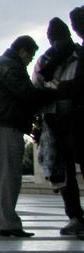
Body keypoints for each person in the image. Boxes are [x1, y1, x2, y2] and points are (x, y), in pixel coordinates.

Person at [0, 35, 54, 237]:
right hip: (7, 125)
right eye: (30, 56)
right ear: (22, 51)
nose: (30, 60)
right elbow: (26, 94)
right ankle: (8, 223)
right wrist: (51, 92)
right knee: (9, 175)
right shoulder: (11, 67)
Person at [33, 14, 83, 238]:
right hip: (74, 118)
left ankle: (74, 217)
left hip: (56, 120)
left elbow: (35, 88)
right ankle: (75, 218)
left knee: (63, 173)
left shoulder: (45, 60)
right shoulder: (77, 53)